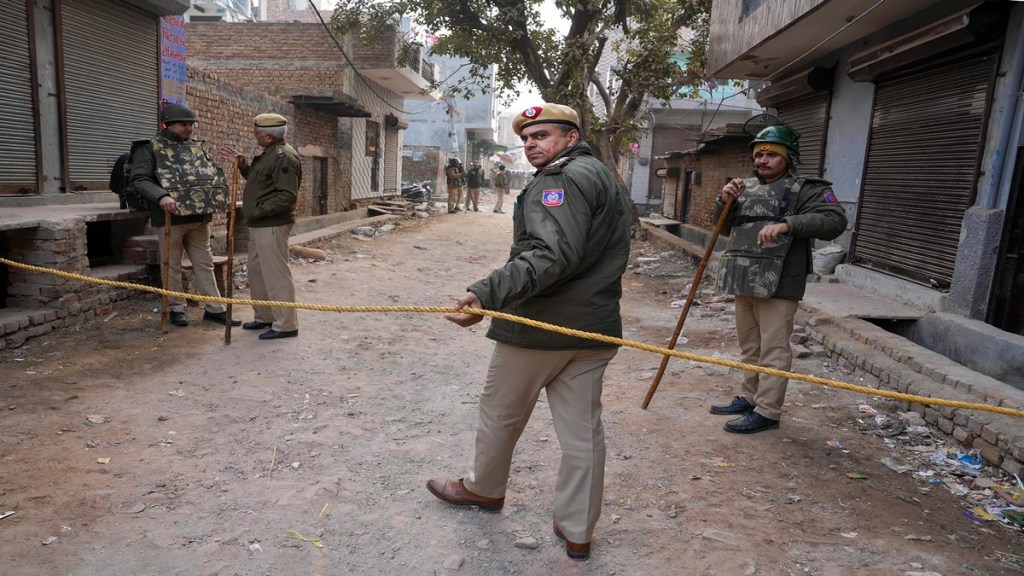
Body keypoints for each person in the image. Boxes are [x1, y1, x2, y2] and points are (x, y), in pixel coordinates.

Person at [427, 103, 631, 561]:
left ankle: (485, 489)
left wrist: (486, 295)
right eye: (526, 137)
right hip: (593, 329)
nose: (531, 143)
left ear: (571, 137)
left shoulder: (560, 180)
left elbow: (550, 255)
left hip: (542, 327)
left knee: (500, 414)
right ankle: (577, 530)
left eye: (542, 135)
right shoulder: (600, 175)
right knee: (583, 433)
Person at [709, 125, 847, 433]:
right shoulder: (742, 186)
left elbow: (835, 220)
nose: (763, 160)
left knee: (773, 348)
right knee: (750, 345)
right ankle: (750, 397)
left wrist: (787, 224)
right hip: (743, 276)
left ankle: (768, 411)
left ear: (789, 156)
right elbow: (722, 226)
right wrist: (723, 200)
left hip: (780, 279)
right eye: (759, 154)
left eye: (772, 154)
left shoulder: (808, 189)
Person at [129, 103, 238, 328]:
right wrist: (161, 196)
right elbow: (140, 179)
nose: (189, 128)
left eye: (191, 124)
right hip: (170, 217)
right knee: (171, 264)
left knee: (205, 263)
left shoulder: (196, 146)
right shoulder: (149, 147)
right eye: (183, 124)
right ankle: (175, 308)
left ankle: (214, 307)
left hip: (199, 216)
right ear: (167, 124)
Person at [222, 113, 302, 340]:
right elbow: (262, 182)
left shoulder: (284, 157)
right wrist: (244, 166)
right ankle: (265, 316)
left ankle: (286, 324)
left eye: (257, 133)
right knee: (257, 271)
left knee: (276, 274)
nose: (254, 136)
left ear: (269, 135)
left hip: (272, 224)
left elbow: (287, 196)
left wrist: (256, 211)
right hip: (259, 224)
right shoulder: (269, 154)